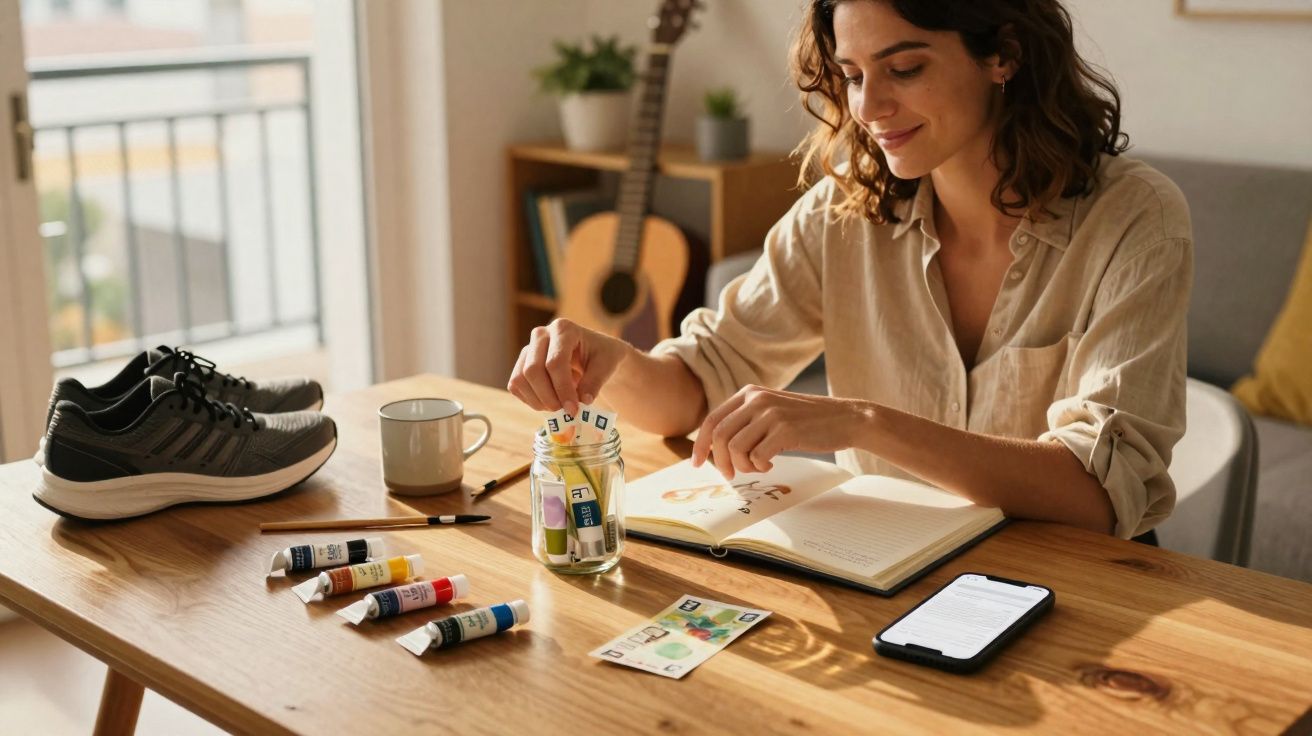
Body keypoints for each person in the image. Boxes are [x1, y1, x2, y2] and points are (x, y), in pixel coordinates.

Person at [508, 0, 1191, 541]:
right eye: (855, 76)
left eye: (905, 68)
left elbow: (1099, 494)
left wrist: (863, 423)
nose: (868, 108)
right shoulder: (843, 214)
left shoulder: (1134, 217)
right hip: (889, 568)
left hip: (1074, 590)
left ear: (1003, 54)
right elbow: (697, 387)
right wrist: (609, 361)